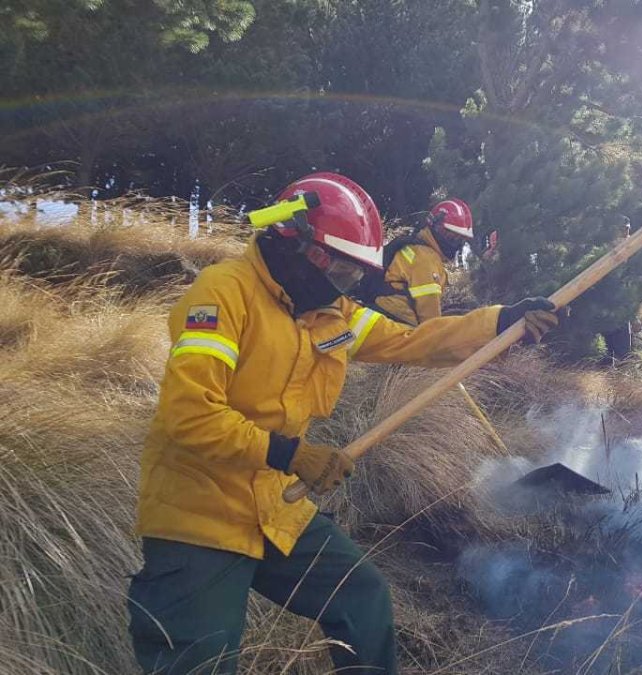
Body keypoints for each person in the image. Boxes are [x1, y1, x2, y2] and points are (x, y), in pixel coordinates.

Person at [126, 173, 558, 675]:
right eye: (343, 272)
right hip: (198, 514)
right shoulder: (223, 295)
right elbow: (190, 414)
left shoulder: (329, 312)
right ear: (302, 247)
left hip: (272, 507)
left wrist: (501, 321)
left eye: (355, 277)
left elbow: (412, 341)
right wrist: (292, 456)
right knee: (200, 663)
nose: (348, 288)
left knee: (362, 598)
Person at [356, 198, 475, 326]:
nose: (455, 243)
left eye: (459, 239)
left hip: (378, 318)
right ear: (435, 226)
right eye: (451, 235)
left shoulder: (415, 248)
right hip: (394, 323)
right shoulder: (426, 259)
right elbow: (430, 319)